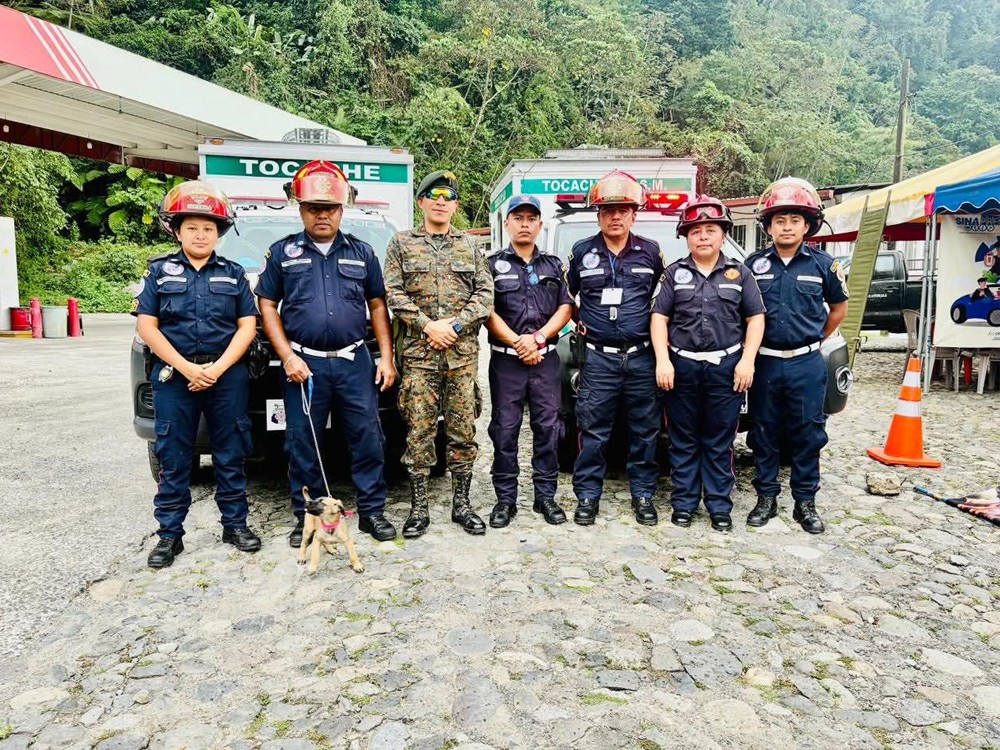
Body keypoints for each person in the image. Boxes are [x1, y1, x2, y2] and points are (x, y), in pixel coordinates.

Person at [256, 160, 397, 545]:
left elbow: (378, 305)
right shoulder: (282, 253)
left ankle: (372, 511)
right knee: (302, 442)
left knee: (368, 438)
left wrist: (386, 357)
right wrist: (287, 356)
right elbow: (267, 304)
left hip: (355, 361)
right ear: (300, 209)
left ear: (342, 209)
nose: (322, 214)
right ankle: (309, 518)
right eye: (314, 207)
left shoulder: (363, 253)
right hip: (305, 364)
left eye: (330, 208)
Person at [132, 181, 260, 568]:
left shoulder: (235, 274)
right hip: (175, 373)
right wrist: (188, 368)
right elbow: (147, 327)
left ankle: (235, 525)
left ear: (218, 232)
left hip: (226, 374)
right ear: (176, 229)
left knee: (230, 452)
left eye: (208, 228)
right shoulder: (158, 273)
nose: (200, 234)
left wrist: (218, 368)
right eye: (192, 227)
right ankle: (170, 536)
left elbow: (248, 326)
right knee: (174, 456)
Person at [383, 170, 494, 537]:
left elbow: (485, 295)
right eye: (434, 195)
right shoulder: (401, 244)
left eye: (448, 196)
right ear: (422, 202)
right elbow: (393, 294)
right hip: (419, 357)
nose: (441, 201)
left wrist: (456, 326)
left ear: (455, 205)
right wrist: (428, 325)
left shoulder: (471, 247)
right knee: (418, 431)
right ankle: (418, 509)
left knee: (463, 432)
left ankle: (461, 506)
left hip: (461, 358)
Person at [650, 196, 765, 531]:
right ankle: (684, 503)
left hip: (726, 369)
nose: (703, 236)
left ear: (723, 234)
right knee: (682, 438)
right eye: (695, 230)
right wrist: (662, 360)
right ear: (686, 236)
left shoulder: (740, 274)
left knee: (719, 440)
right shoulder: (674, 274)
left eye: (710, 229)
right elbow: (659, 318)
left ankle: (719, 506)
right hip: (681, 368)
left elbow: (755, 318)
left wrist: (748, 361)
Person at [745, 177, 849, 534]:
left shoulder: (823, 265)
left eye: (794, 220)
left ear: (807, 225)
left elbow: (838, 309)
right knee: (763, 431)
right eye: (779, 220)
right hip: (765, 362)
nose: (786, 226)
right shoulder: (753, 264)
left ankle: (805, 502)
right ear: (769, 226)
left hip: (807, 363)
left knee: (808, 432)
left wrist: (814, 339)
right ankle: (766, 498)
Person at [566, 170, 664, 526]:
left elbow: (661, 299)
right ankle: (588, 495)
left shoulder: (651, 253)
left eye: (624, 209)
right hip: (599, 357)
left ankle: (643, 494)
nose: (616, 216)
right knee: (593, 429)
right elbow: (569, 297)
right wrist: (585, 322)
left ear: (635, 214)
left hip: (641, 356)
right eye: (608, 210)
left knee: (645, 429)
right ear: (598, 215)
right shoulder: (582, 252)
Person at [485, 195, 574, 527]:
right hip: (506, 362)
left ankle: (545, 497)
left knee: (548, 429)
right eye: (517, 218)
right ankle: (505, 500)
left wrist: (537, 339)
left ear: (540, 225)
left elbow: (566, 308)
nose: (524, 223)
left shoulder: (554, 266)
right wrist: (517, 342)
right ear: (507, 223)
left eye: (531, 218)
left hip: (545, 360)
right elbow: (487, 311)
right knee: (504, 431)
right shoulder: (492, 265)